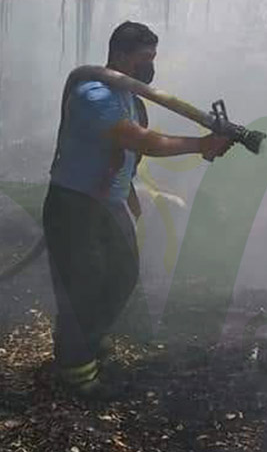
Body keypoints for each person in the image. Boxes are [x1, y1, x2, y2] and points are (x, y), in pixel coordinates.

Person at [43, 21, 231, 399]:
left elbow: (129, 152)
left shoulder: (131, 98)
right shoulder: (92, 94)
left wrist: (128, 192)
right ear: (121, 55)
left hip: (109, 204)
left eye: (153, 58)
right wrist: (201, 144)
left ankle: (86, 339)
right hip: (75, 206)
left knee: (123, 276)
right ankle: (76, 375)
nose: (150, 66)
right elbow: (138, 139)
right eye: (145, 57)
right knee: (82, 286)